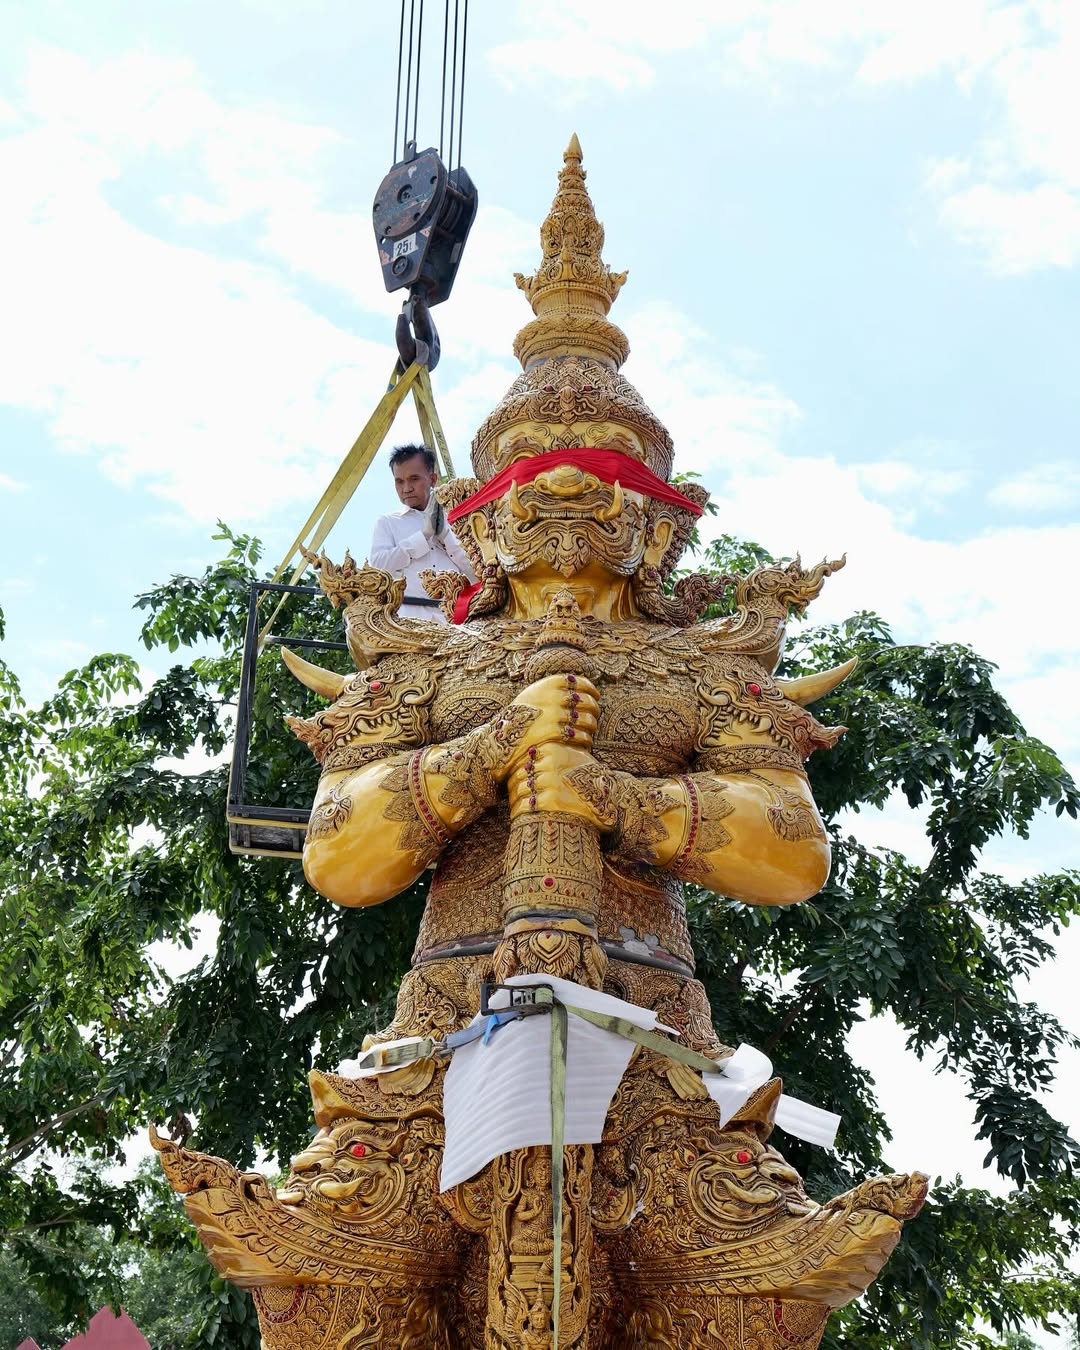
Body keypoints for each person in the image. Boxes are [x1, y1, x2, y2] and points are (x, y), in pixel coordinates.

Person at [369, 444, 474, 621]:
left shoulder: (458, 521)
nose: (406, 488)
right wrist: (423, 537)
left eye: (414, 479)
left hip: (458, 620)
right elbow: (379, 567)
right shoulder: (388, 522)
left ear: (432, 479)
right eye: (399, 481)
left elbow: (475, 573)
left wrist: (446, 536)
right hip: (409, 619)